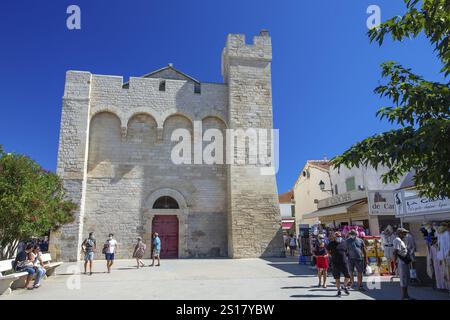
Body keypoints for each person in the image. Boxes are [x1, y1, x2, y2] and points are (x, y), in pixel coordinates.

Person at [327, 232, 350, 297]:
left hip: (344, 262)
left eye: (339, 236)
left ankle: (344, 286)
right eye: (337, 236)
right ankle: (338, 290)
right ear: (334, 237)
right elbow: (327, 250)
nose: (338, 237)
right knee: (337, 278)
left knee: (348, 276)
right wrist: (330, 255)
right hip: (335, 263)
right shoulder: (331, 243)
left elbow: (346, 252)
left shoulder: (344, 243)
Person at [393, 227, 414, 300]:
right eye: (404, 233)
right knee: (403, 278)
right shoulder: (397, 240)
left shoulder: (402, 240)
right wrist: (395, 262)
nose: (405, 234)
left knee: (406, 278)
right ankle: (403, 296)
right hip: (401, 262)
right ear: (400, 233)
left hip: (405, 261)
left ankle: (406, 295)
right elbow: (395, 252)